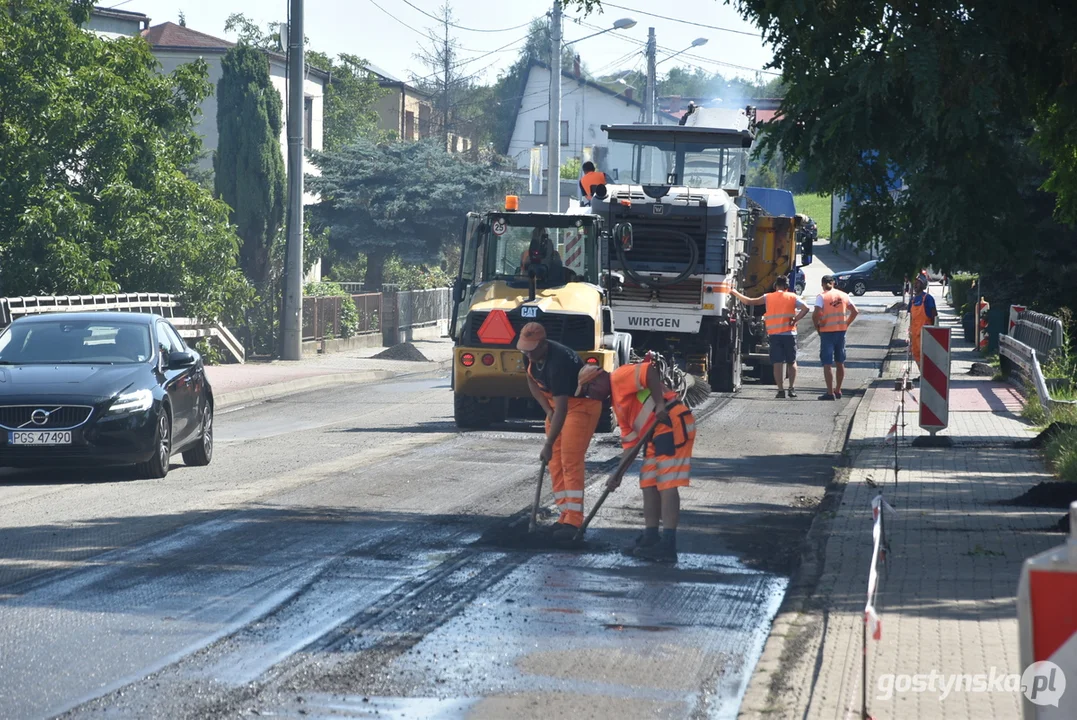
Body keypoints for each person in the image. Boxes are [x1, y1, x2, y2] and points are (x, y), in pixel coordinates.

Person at [600, 356, 696, 563]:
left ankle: (668, 544)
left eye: (589, 390)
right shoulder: (618, 405)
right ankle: (651, 537)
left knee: (666, 482)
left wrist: (660, 405)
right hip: (655, 433)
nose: (590, 397)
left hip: (671, 421)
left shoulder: (618, 377)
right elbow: (631, 447)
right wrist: (617, 475)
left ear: (597, 379)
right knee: (648, 482)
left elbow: (649, 371)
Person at [519, 322, 604, 543]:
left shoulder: (559, 362)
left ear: (543, 344)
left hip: (580, 407)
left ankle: (574, 521)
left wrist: (547, 443)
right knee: (555, 462)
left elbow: (564, 408)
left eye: (531, 349)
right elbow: (531, 381)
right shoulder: (529, 355)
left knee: (570, 460)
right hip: (556, 408)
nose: (527, 353)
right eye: (525, 349)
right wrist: (547, 410)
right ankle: (564, 515)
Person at [730, 275, 810, 398]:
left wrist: (735, 292)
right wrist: (795, 319)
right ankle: (792, 388)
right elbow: (806, 308)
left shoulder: (768, 297)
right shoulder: (793, 297)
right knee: (791, 361)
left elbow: (749, 302)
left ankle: (780, 390)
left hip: (774, 335)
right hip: (790, 334)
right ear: (787, 286)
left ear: (775, 286)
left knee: (777, 362)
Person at [813, 274, 859, 400]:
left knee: (827, 363)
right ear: (833, 283)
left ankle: (829, 393)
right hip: (841, 332)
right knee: (840, 361)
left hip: (827, 333)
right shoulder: (843, 295)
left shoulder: (821, 297)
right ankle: (838, 390)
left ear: (822, 284)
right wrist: (846, 324)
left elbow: (816, 314)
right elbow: (855, 311)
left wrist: (817, 327)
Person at [908, 275, 937, 375]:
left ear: (923, 284)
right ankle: (923, 375)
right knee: (916, 354)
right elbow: (911, 317)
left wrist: (934, 331)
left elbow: (934, 315)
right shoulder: (912, 300)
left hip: (925, 333)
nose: (915, 284)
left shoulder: (928, 299)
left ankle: (928, 376)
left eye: (918, 282)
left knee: (926, 355)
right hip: (915, 334)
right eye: (914, 282)